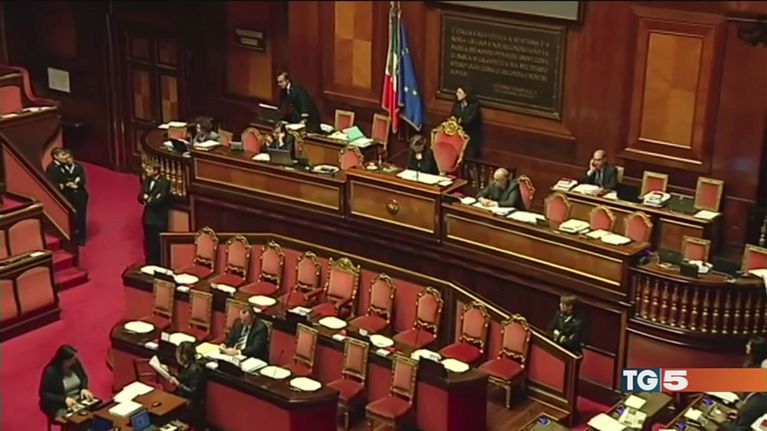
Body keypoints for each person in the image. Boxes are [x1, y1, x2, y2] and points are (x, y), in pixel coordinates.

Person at [46, 149, 89, 246]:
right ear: (56, 156)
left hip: (79, 195)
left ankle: (82, 238)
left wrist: (77, 183)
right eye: (63, 155)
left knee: (81, 217)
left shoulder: (75, 166)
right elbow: (53, 185)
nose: (66, 157)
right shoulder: (52, 169)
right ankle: (72, 239)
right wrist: (66, 185)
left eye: (67, 155)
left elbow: (81, 178)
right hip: (66, 197)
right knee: (71, 219)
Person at [39, 345, 94, 419]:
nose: (74, 362)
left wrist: (84, 388)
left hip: (78, 400)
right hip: (59, 405)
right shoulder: (51, 372)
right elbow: (45, 394)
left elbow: (84, 377)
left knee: (96, 413)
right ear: (64, 360)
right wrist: (64, 399)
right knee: (77, 419)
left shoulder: (75, 363)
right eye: (72, 360)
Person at [138, 161, 170, 265]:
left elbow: (158, 201)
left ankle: (158, 263)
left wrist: (148, 198)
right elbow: (140, 196)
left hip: (158, 219)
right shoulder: (146, 180)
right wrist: (149, 198)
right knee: (148, 242)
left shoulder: (164, 183)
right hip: (148, 218)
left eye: (149, 169)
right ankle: (149, 262)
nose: (146, 170)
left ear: (156, 171)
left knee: (157, 244)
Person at [169, 341, 205, 426]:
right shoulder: (186, 367)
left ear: (183, 356)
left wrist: (178, 384)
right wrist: (168, 371)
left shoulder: (195, 370)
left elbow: (193, 392)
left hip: (191, 403)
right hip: (183, 396)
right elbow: (183, 377)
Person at [450, 84, 482, 160]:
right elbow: (452, 117)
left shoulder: (474, 107)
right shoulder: (456, 105)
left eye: (459, 92)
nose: (457, 94)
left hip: (469, 138)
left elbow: (469, 121)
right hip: (456, 136)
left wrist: (460, 120)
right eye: (457, 92)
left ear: (466, 94)